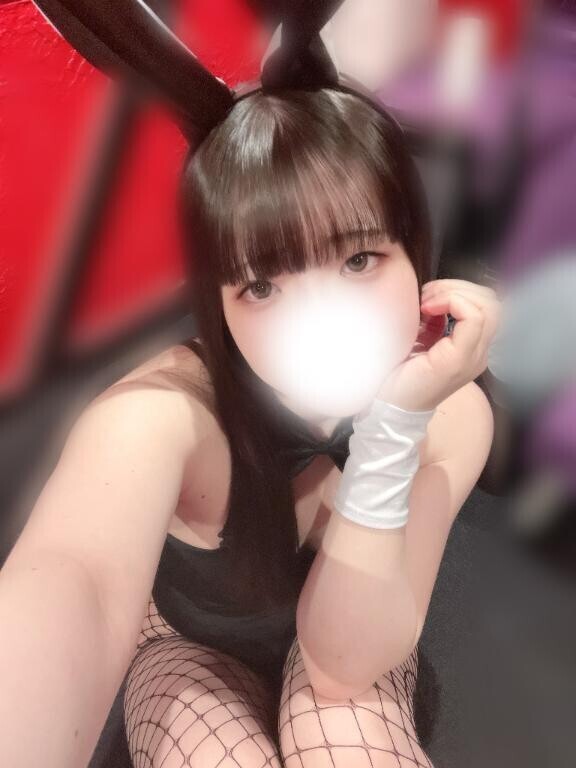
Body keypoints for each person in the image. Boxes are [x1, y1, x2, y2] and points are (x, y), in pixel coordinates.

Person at [1, 2, 500, 767]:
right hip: (189, 649)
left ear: (415, 256)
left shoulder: (448, 412)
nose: (320, 320)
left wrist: (396, 426)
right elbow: (73, 581)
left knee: (344, 728)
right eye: (262, 286)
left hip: (362, 651)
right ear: (220, 302)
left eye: (359, 259)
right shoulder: (164, 415)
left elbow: (343, 669)